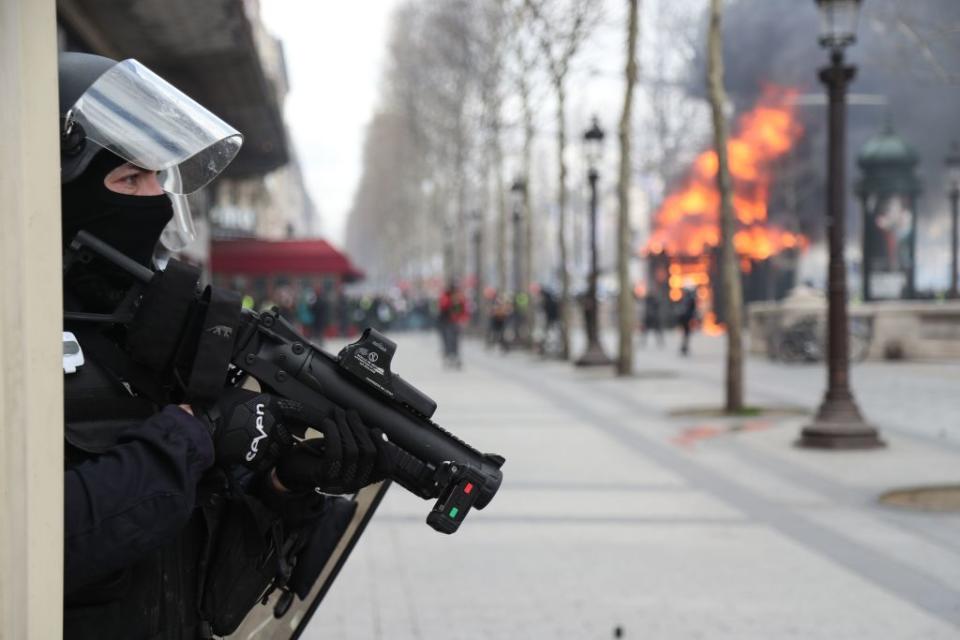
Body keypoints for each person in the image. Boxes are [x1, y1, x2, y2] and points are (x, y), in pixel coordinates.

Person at [59, 52, 391, 639]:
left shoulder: (142, 341)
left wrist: (282, 483)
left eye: (159, 177)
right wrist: (195, 432)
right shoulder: (21, 346)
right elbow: (44, 541)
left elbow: (195, 563)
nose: (156, 198)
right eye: (128, 179)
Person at [437, 281, 468, 368]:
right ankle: (448, 356)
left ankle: (455, 356)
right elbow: (442, 306)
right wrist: (451, 300)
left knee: (456, 340)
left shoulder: (460, 298)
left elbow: (463, 310)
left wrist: (463, 319)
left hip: (455, 323)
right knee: (447, 340)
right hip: (445, 322)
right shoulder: (445, 296)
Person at [677, 287, 698, 356]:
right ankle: (684, 347)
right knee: (686, 334)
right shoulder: (688, 299)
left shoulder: (685, 299)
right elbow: (693, 311)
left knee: (686, 334)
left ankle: (684, 347)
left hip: (686, 319)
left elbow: (692, 310)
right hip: (686, 319)